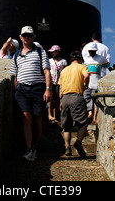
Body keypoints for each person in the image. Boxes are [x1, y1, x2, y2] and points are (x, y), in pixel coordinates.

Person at [10, 26, 53, 161]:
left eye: (29, 35)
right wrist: (15, 90)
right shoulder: (16, 54)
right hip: (22, 90)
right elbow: (14, 75)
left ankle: (35, 145)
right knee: (26, 117)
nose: (27, 37)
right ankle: (29, 149)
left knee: (38, 119)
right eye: (25, 35)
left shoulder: (40, 52)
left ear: (34, 37)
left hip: (38, 89)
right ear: (21, 37)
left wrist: (48, 89)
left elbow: (47, 71)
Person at [58, 51, 89, 158]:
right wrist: (86, 85)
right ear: (80, 59)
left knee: (66, 126)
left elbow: (60, 87)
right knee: (82, 123)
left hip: (65, 98)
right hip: (77, 96)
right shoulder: (82, 67)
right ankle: (78, 142)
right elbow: (86, 75)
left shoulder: (64, 70)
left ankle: (67, 148)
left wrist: (61, 100)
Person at [82, 42, 110, 123]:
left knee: (96, 100)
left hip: (96, 81)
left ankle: (94, 117)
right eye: (90, 51)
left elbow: (106, 65)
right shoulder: (86, 59)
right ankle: (90, 111)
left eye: (92, 51)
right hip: (88, 82)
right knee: (86, 97)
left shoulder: (101, 58)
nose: (91, 52)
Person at [47, 45, 67, 122]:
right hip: (51, 81)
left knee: (57, 99)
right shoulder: (49, 61)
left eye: (53, 52)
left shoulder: (63, 61)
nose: (52, 54)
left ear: (57, 52)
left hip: (59, 83)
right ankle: (49, 114)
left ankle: (56, 116)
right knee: (50, 99)